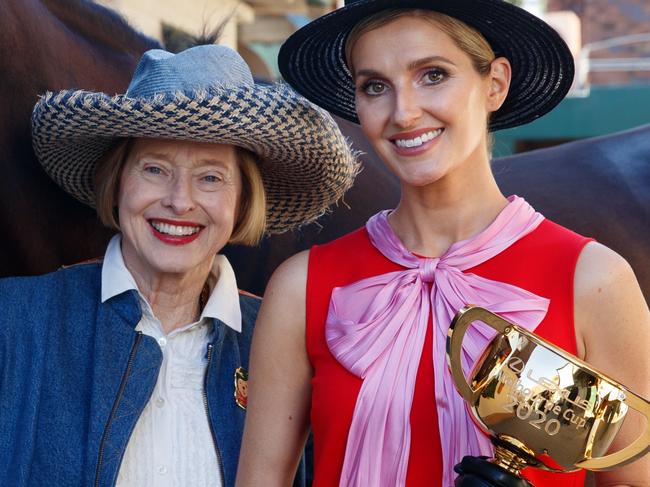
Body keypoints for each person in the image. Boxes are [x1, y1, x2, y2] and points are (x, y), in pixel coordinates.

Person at [236, 1, 650, 486]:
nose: (404, 112)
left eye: (432, 75)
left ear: (494, 83)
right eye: (375, 86)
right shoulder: (302, 287)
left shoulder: (594, 280)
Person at [0, 44, 357, 487]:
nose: (179, 201)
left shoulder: (283, 343)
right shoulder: (14, 321)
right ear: (116, 182)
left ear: (243, 200)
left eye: (210, 177)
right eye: (154, 169)